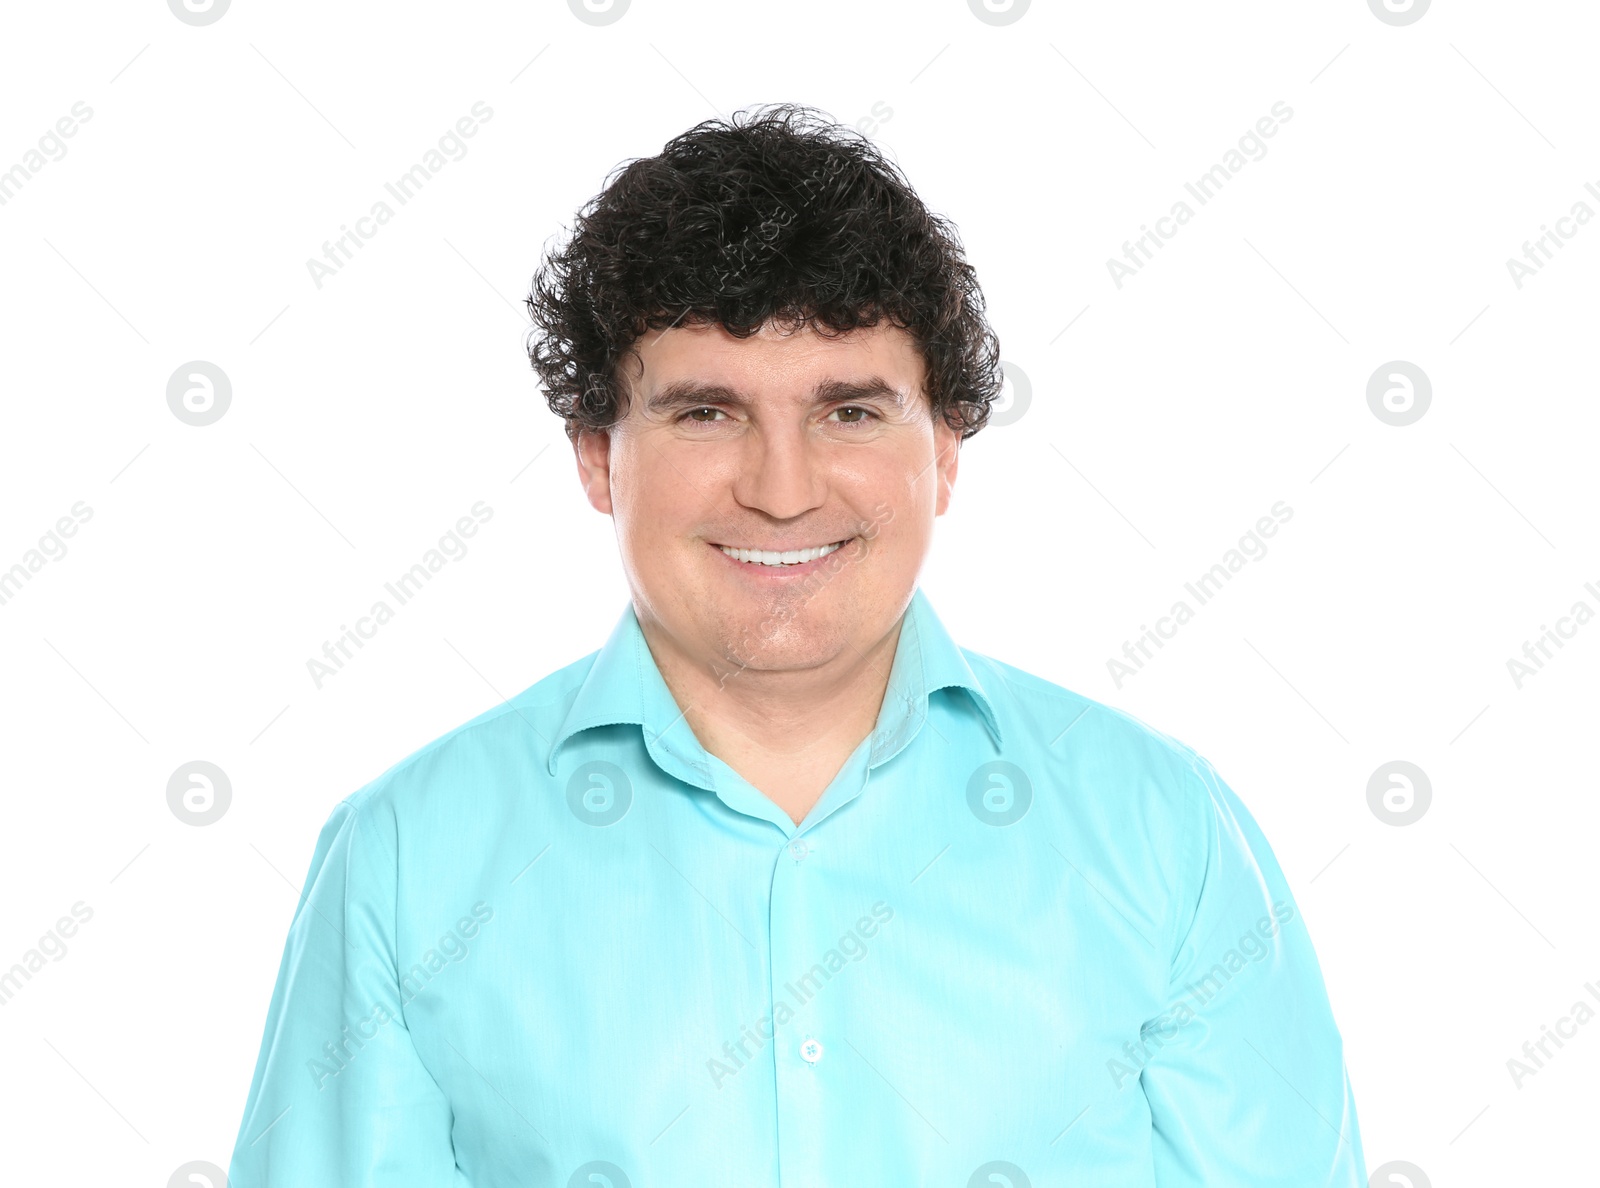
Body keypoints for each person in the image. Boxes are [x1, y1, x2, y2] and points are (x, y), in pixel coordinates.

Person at [228, 103, 1367, 1186]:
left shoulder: (1163, 832)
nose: (781, 490)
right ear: (594, 455)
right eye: (706, 412)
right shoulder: (405, 859)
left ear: (948, 451)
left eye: (850, 411)